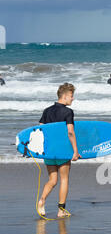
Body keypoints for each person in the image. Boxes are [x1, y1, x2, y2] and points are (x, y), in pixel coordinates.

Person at [37, 83, 80, 218]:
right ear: (65, 96)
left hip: (49, 151)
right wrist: (75, 151)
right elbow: (70, 132)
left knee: (52, 179)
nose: (73, 99)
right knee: (64, 179)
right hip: (62, 150)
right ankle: (61, 210)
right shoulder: (68, 112)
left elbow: (40, 130)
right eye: (72, 96)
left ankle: (42, 200)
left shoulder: (47, 111)